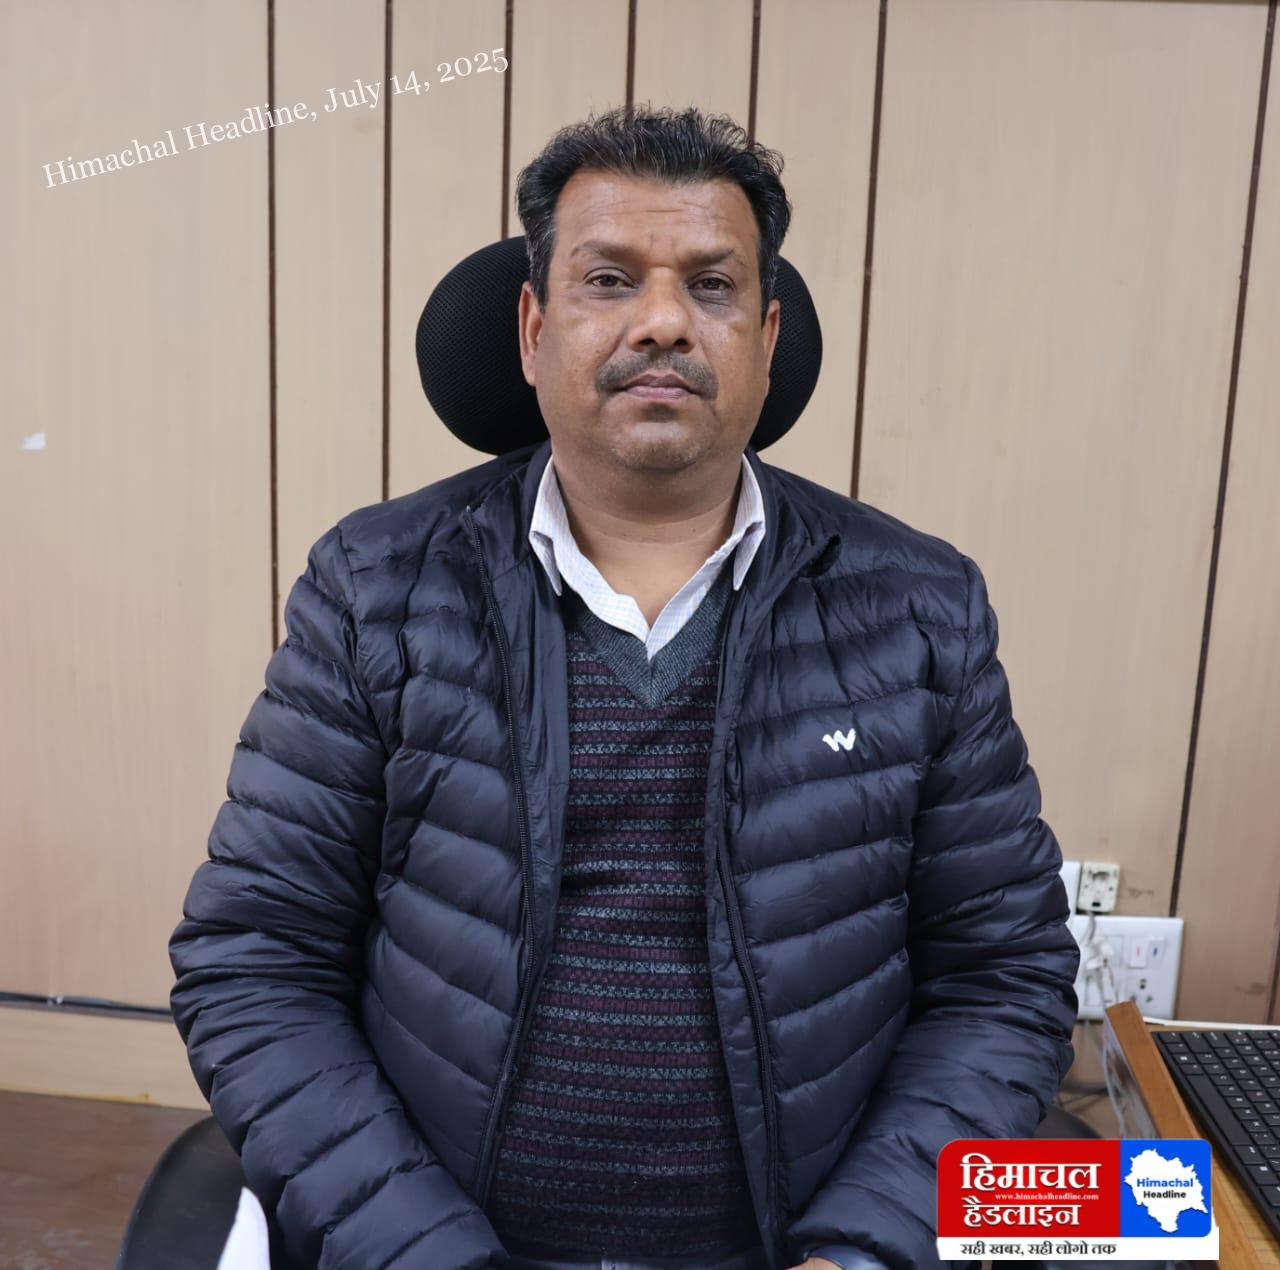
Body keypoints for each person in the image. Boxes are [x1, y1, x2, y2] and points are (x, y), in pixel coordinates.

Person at [169, 103, 1080, 1270]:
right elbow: (257, 959)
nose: (661, 321)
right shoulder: (375, 587)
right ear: (532, 328)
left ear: (764, 337)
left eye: (710, 286)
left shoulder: (916, 609)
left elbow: (999, 977)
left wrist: (862, 1251)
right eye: (608, 280)